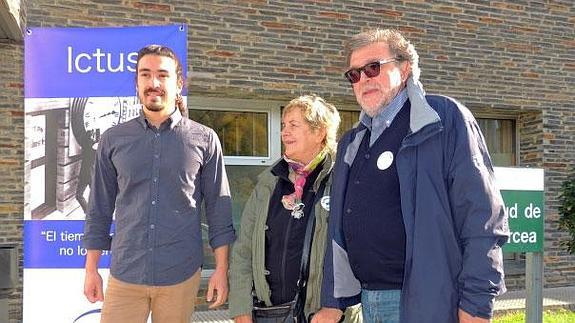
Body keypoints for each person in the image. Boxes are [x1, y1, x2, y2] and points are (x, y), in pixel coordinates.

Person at [313, 29, 509, 323]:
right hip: (369, 300)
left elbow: (482, 217)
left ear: (404, 69)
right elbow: (338, 229)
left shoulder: (444, 119)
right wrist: (333, 301)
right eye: (354, 75)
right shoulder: (351, 142)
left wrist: (477, 304)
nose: (363, 79)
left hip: (428, 302)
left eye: (372, 68)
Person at [82, 44, 235, 323]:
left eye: (162, 75)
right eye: (145, 74)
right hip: (126, 272)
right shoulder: (113, 140)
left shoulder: (204, 139)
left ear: (179, 83)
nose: (153, 83)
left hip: (180, 273)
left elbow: (219, 210)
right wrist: (91, 268)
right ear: (137, 83)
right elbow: (99, 208)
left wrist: (221, 269)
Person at [229, 95, 361, 323]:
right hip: (269, 314)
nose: (284, 132)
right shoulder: (268, 183)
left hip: (325, 316)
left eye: (294, 125)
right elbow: (244, 251)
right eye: (283, 125)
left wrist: (336, 306)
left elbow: (359, 248)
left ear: (320, 132)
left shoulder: (344, 179)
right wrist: (241, 309)